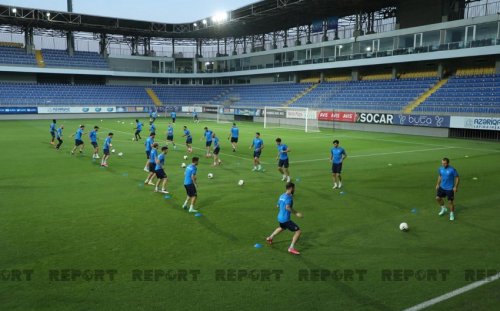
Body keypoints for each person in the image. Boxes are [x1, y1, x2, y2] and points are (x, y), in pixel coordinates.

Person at [266, 182, 302, 255]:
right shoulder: (288, 197)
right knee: (298, 231)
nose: (294, 189)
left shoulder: (282, 195)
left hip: (280, 217)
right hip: (285, 219)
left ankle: (270, 237)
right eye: (294, 188)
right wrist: (296, 213)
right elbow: (287, 207)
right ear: (291, 188)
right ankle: (291, 248)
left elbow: (277, 205)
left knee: (282, 228)